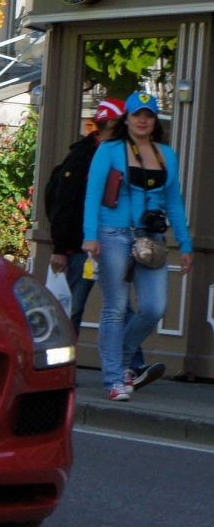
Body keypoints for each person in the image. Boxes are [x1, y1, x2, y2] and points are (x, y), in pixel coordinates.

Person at [82, 90, 194, 401]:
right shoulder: (110, 149)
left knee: (154, 308)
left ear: (155, 120)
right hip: (112, 233)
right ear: (127, 118)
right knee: (115, 308)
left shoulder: (165, 154)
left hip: (151, 239)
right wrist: (89, 235)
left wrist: (185, 243)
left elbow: (174, 202)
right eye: (137, 114)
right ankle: (114, 379)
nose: (143, 119)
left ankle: (122, 359)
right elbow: (92, 195)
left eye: (148, 114)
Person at [44, 97, 161, 386]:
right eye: (123, 122)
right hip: (82, 247)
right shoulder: (82, 157)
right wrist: (61, 248)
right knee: (73, 309)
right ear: (109, 125)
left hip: (114, 241)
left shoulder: (124, 154)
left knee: (120, 306)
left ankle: (131, 366)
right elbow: (64, 204)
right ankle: (60, 370)